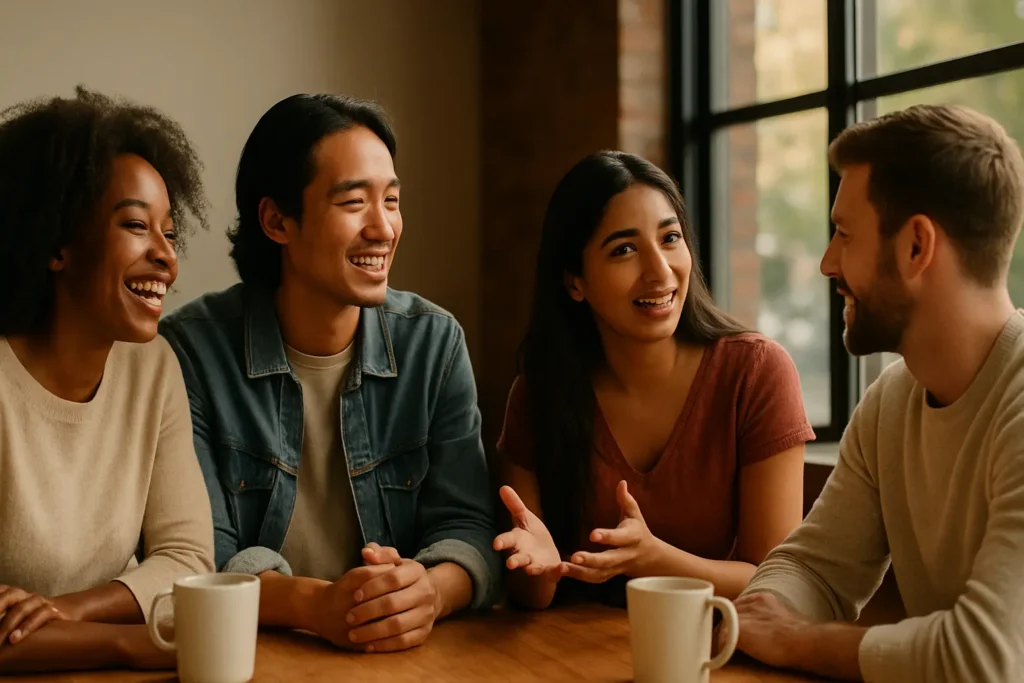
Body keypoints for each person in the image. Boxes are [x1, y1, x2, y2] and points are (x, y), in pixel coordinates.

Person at [159, 93, 499, 654]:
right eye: (354, 202)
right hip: (250, 653)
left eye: (392, 201)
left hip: (401, 653)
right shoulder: (190, 352)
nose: (383, 228)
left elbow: (468, 525)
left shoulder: (433, 343)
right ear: (277, 221)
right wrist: (315, 605)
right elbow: (199, 552)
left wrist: (430, 592)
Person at [730, 104, 1024, 682]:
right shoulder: (892, 400)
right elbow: (813, 569)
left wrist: (797, 640)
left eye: (844, 234)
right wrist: (763, 616)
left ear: (916, 246)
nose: (826, 263)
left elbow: (988, 659)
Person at [493, 150, 813, 610]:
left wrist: (655, 560)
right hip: (571, 644)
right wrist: (537, 569)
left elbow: (776, 582)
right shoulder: (539, 393)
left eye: (670, 238)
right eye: (624, 249)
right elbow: (532, 596)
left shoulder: (757, 373)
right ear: (575, 281)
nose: (660, 271)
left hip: (713, 642)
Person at [0, 87, 215, 673]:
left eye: (170, 233)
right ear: (56, 245)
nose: (166, 257)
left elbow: (188, 558)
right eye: (137, 225)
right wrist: (126, 643)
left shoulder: (153, 368)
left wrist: (67, 611)